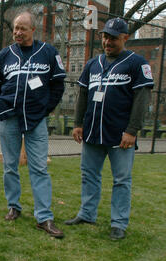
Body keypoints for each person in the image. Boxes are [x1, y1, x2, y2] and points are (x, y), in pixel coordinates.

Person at [65, 18, 154, 240]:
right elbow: (83, 95)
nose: (107, 41)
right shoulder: (92, 64)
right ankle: (87, 214)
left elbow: (142, 100)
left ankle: (118, 223)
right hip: (93, 131)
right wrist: (78, 124)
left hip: (120, 134)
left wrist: (132, 130)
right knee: (89, 175)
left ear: (125, 38)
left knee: (121, 180)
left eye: (113, 38)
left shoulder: (137, 63)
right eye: (105, 37)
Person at [0, 11, 66, 238]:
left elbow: (58, 85)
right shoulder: (4, 55)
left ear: (33, 30)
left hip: (35, 119)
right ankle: (14, 206)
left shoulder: (48, 52)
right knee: (10, 165)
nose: (18, 32)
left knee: (39, 167)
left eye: (23, 28)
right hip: (9, 117)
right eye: (15, 28)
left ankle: (44, 217)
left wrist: (45, 109)